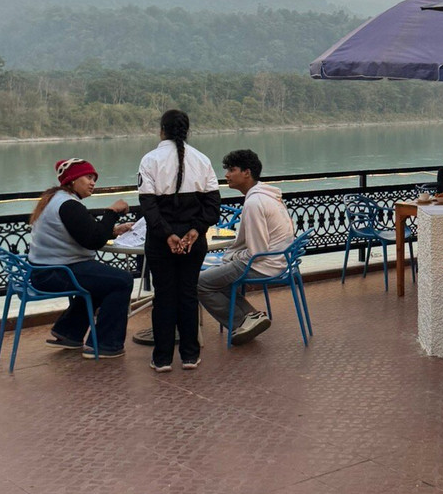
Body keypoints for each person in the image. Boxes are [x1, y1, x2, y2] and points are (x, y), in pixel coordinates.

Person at [139, 109, 221, 372]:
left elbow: (148, 207)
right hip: (193, 241)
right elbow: (213, 207)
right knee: (188, 294)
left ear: (161, 130)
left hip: (160, 242)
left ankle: (162, 358)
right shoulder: (203, 160)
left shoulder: (149, 160)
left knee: (164, 296)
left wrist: (168, 235)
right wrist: (195, 230)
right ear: (187, 131)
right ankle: (190, 355)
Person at [29, 158, 135, 359]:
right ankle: (106, 345)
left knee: (104, 279)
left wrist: (113, 230)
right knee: (122, 280)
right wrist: (111, 212)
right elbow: (93, 240)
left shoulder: (57, 199)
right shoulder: (68, 205)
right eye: (88, 177)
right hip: (55, 273)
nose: (92, 183)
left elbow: (84, 232)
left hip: (44, 270)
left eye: (94, 178)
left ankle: (69, 332)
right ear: (72, 180)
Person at [198, 149, 295, 345]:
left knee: (199, 283)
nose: (227, 175)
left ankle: (239, 323)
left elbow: (257, 252)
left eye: (232, 170)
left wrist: (233, 257)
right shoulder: (267, 195)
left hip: (264, 264)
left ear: (247, 173)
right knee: (217, 278)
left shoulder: (255, 203)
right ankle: (251, 316)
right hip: (279, 260)